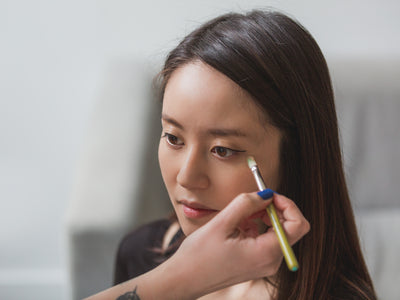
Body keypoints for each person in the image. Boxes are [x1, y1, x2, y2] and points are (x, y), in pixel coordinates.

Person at [88, 9, 377, 299]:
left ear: (296, 154)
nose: (187, 177)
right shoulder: (140, 253)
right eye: (174, 138)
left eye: (222, 150)